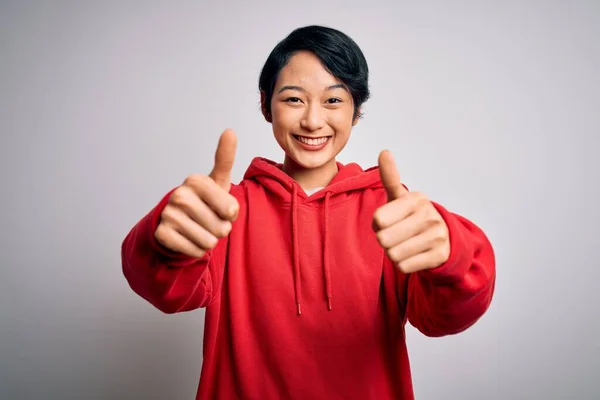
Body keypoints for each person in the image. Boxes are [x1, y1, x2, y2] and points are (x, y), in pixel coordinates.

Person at [121, 25, 496, 400]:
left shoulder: (392, 214)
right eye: (294, 100)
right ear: (265, 104)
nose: (313, 121)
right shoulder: (223, 210)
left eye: (333, 101)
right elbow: (165, 289)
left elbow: (445, 315)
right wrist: (166, 239)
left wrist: (453, 254)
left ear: (357, 111)